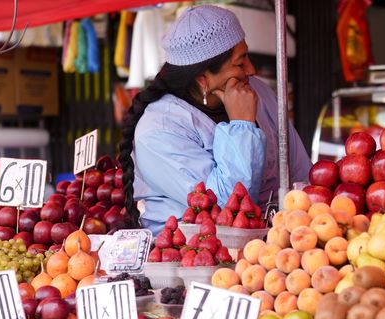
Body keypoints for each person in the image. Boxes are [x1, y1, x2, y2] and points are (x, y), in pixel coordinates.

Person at [119, 5, 311, 234]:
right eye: (240, 63)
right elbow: (228, 208)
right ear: (202, 79)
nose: (251, 70)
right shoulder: (158, 131)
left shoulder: (258, 92)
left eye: (246, 55)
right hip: (195, 257)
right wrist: (242, 125)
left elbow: (300, 172)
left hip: (275, 246)